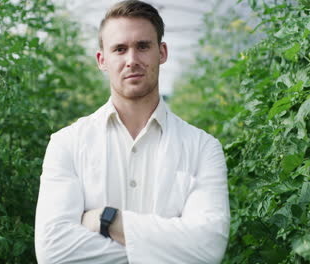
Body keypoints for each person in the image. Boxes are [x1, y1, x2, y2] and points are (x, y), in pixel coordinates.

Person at [34, 0, 230, 263]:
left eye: (143, 46)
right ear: (102, 60)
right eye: (119, 49)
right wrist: (168, 249)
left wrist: (107, 220)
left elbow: (208, 247)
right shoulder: (66, 144)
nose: (132, 60)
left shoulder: (203, 148)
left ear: (162, 53)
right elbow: (53, 251)